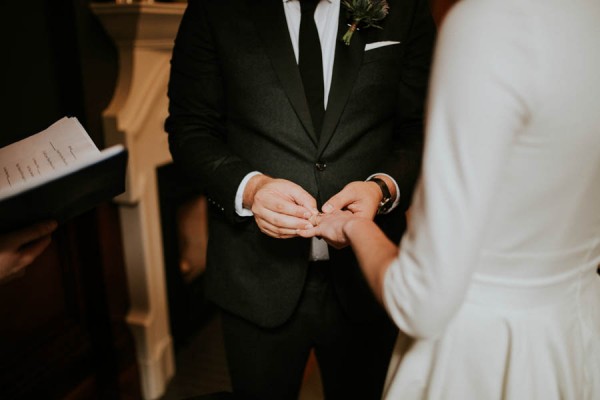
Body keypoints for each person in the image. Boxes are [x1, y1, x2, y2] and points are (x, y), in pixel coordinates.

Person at [300, 0, 600, 398]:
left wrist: (354, 226)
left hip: (480, 355)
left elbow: (421, 300)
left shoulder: (489, 23)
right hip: (576, 336)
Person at [165, 0, 435, 398]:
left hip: (368, 280)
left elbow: (420, 128)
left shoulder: (405, 7)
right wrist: (251, 188)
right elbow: (189, 129)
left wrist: (382, 188)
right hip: (253, 280)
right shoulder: (213, 8)